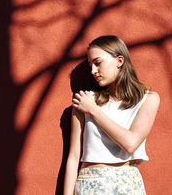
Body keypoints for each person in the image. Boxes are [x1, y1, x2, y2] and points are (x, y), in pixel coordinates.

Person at [63, 35, 160, 195]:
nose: (93, 71)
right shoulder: (84, 101)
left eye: (98, 63)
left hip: (127, 184)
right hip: (90, 183)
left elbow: (130, 143)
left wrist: (94, 110)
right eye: (90, 65)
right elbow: (73, 158)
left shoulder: (148, 99)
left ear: (119, 61)